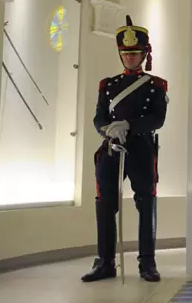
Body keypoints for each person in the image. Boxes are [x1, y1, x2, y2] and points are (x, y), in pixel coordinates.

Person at [81, 15, 168, 283]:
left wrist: (129, 125)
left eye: (134, 53)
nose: (130, 57)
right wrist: (108, 129)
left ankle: (147, 263)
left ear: (144, 54)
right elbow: (98, 118)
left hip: (141, 150)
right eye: (126, 53)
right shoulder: (107, 85)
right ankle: (105, 262)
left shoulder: (155, 85)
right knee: (105, 205)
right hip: (111, 149)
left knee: (146, 203)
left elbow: (157, 119)